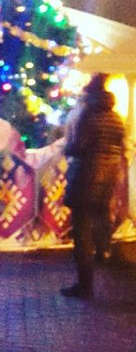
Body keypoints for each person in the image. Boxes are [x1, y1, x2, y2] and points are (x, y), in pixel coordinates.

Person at [61, 73, 127, 299]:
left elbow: (77, 147)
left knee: (81, 233)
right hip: (108, 178)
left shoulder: (87, 117)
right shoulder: (116, 119)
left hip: (85, 179)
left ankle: (85, 284)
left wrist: (67, 146)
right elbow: (120, 148)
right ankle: (105, 253)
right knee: (100, 221)